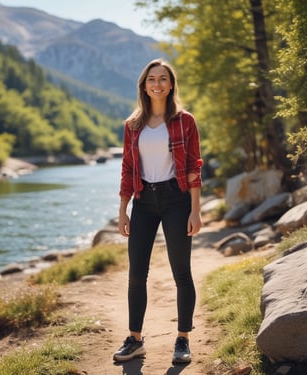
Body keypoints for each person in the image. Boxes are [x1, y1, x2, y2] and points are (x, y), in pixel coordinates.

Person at [113, 58, 203, 365]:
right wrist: (123, 210)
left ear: (171, 84)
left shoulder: (184, 121)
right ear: (144, 85)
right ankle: (135, 339)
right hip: (143, 202)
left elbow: (193, 167)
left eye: (163, 78)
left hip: (176, 199)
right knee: (136, 273)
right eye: (152, 79)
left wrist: (195, 210)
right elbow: (127, 168)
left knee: (181, 272)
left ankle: (182, 339)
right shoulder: (133, 125)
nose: (157, 83)